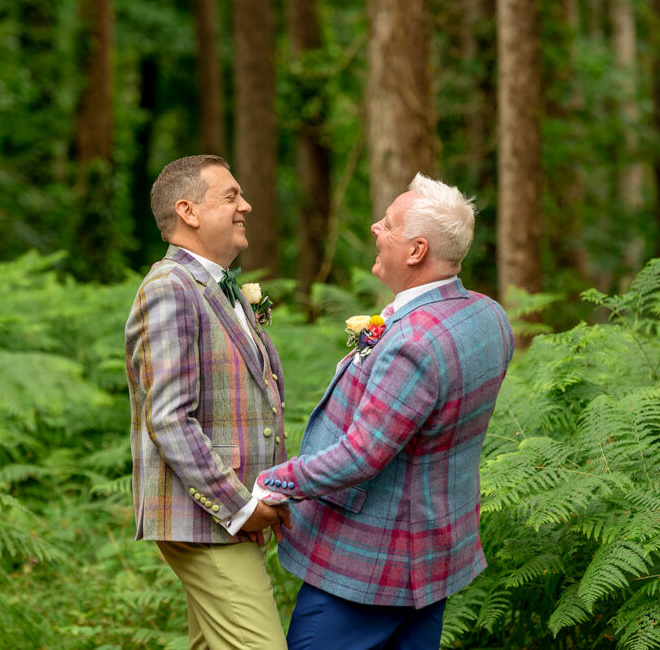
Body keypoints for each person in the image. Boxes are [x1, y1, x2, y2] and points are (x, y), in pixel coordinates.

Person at [254, 173, 514, 649]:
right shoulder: (487, 315)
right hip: (438, 552)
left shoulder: (414, 342)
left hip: (375, 564)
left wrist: (272, 482)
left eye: (388, 225)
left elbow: (360, 456)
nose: (375, 228)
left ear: (416, 251)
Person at [125, 154, 292, 650]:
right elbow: (170, 419)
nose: (247, 205)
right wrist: (240, 506)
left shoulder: (223, 288)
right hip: (205, 520)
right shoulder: (170, 288)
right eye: (231, 196)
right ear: (188, 212)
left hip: (222, 519)